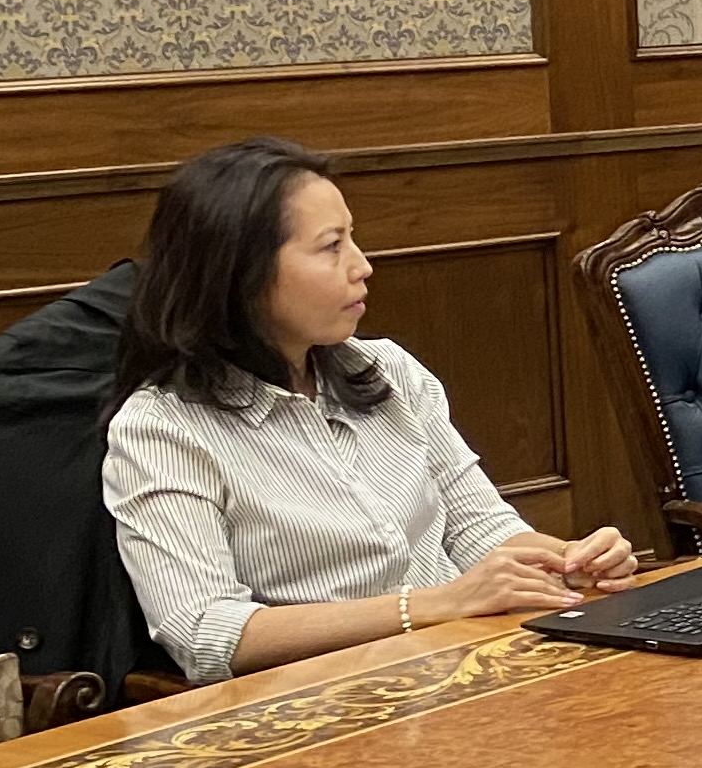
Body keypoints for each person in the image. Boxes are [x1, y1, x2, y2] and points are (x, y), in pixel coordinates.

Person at [104, 138, 637, 684]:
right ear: (240, 272)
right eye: (331, 247)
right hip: (329, 700)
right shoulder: (162, 430)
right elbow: (205, 633)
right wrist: (431, 605)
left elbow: (478, 527)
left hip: (469, 667)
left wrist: (573, 561)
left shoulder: (387, 370)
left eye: (352, 239)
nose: (362, 266)